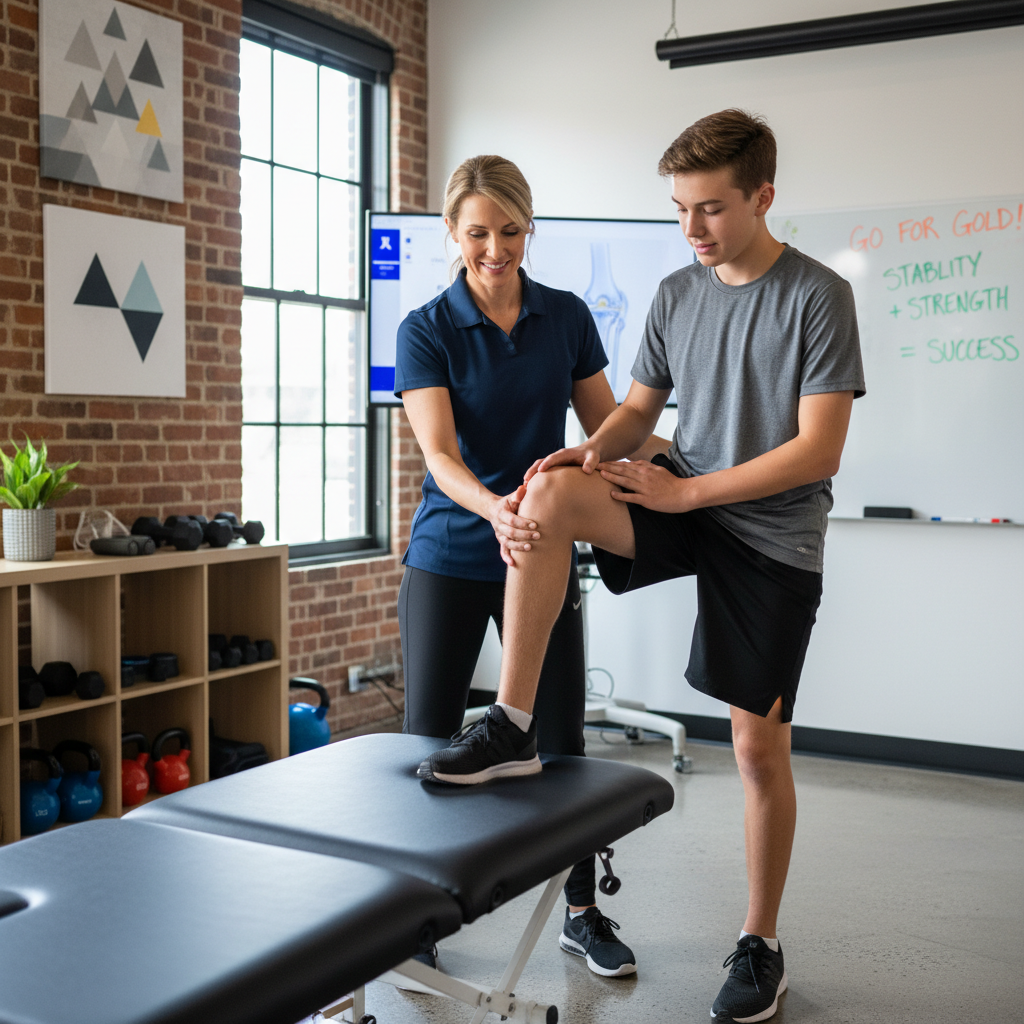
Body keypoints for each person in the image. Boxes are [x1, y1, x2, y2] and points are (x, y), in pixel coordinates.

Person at [418, 112, 866, 1023]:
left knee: (756, 750)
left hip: (769, 534)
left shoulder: (818, 295)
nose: (692, 228)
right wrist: (582, 456)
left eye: (710, 209)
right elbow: (632, 414)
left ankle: (760, 943)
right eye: (679, 210)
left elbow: (818, 451)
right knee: (549, 496)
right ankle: (511, 724)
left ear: (762, 198)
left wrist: (685, 493)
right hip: (684, 498)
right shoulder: (675, 292)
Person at [395, 154, 665, 978]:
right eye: (478, 232)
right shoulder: (425, 329)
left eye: (511, 231)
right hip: (453, 549)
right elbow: (440, 456)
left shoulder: (566, 316)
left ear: (529, 228)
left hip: (542, 552)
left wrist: (687, 461)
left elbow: (607, 428)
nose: (495, 249)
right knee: (429, 741)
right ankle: (412, 919)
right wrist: (496, 510)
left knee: (562, 742)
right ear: (453, 231)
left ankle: (581, 913)